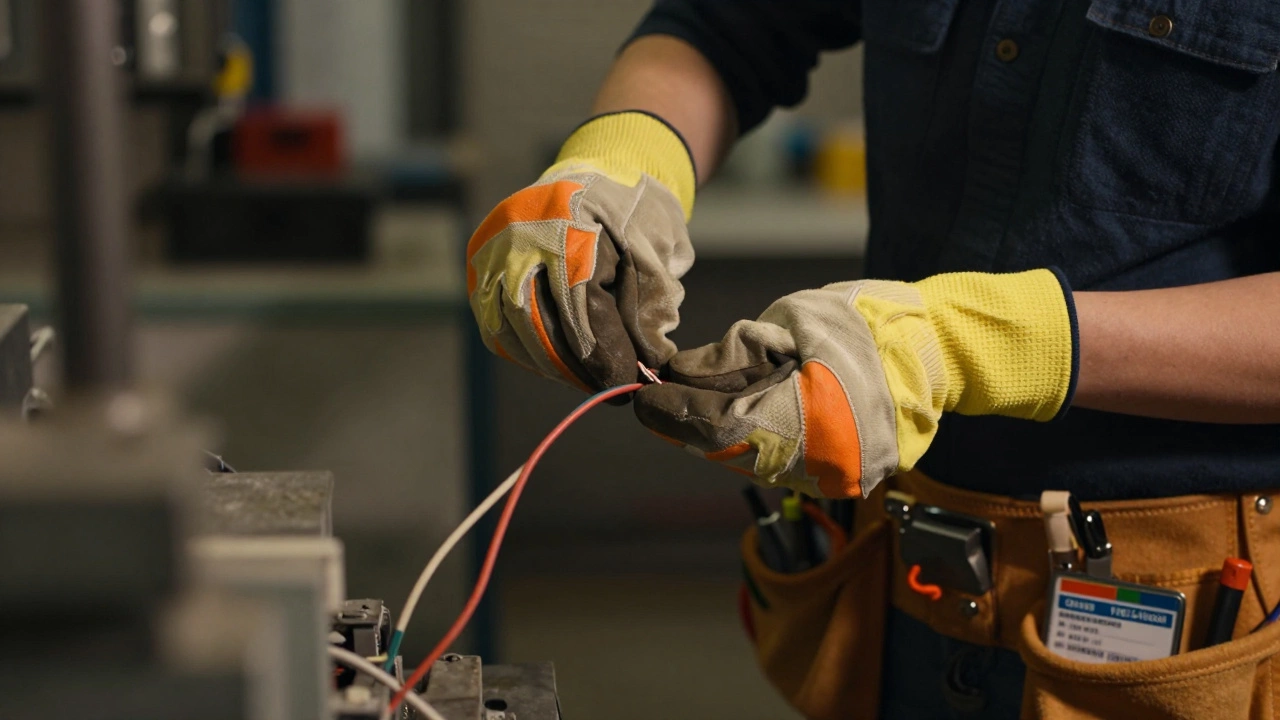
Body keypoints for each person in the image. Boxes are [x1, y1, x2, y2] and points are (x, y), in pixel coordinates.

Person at [465, 1, 1280, 717]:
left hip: (1185, 628)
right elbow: (723, 27)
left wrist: (974, 345)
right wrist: (617, 166)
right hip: (890, 579)